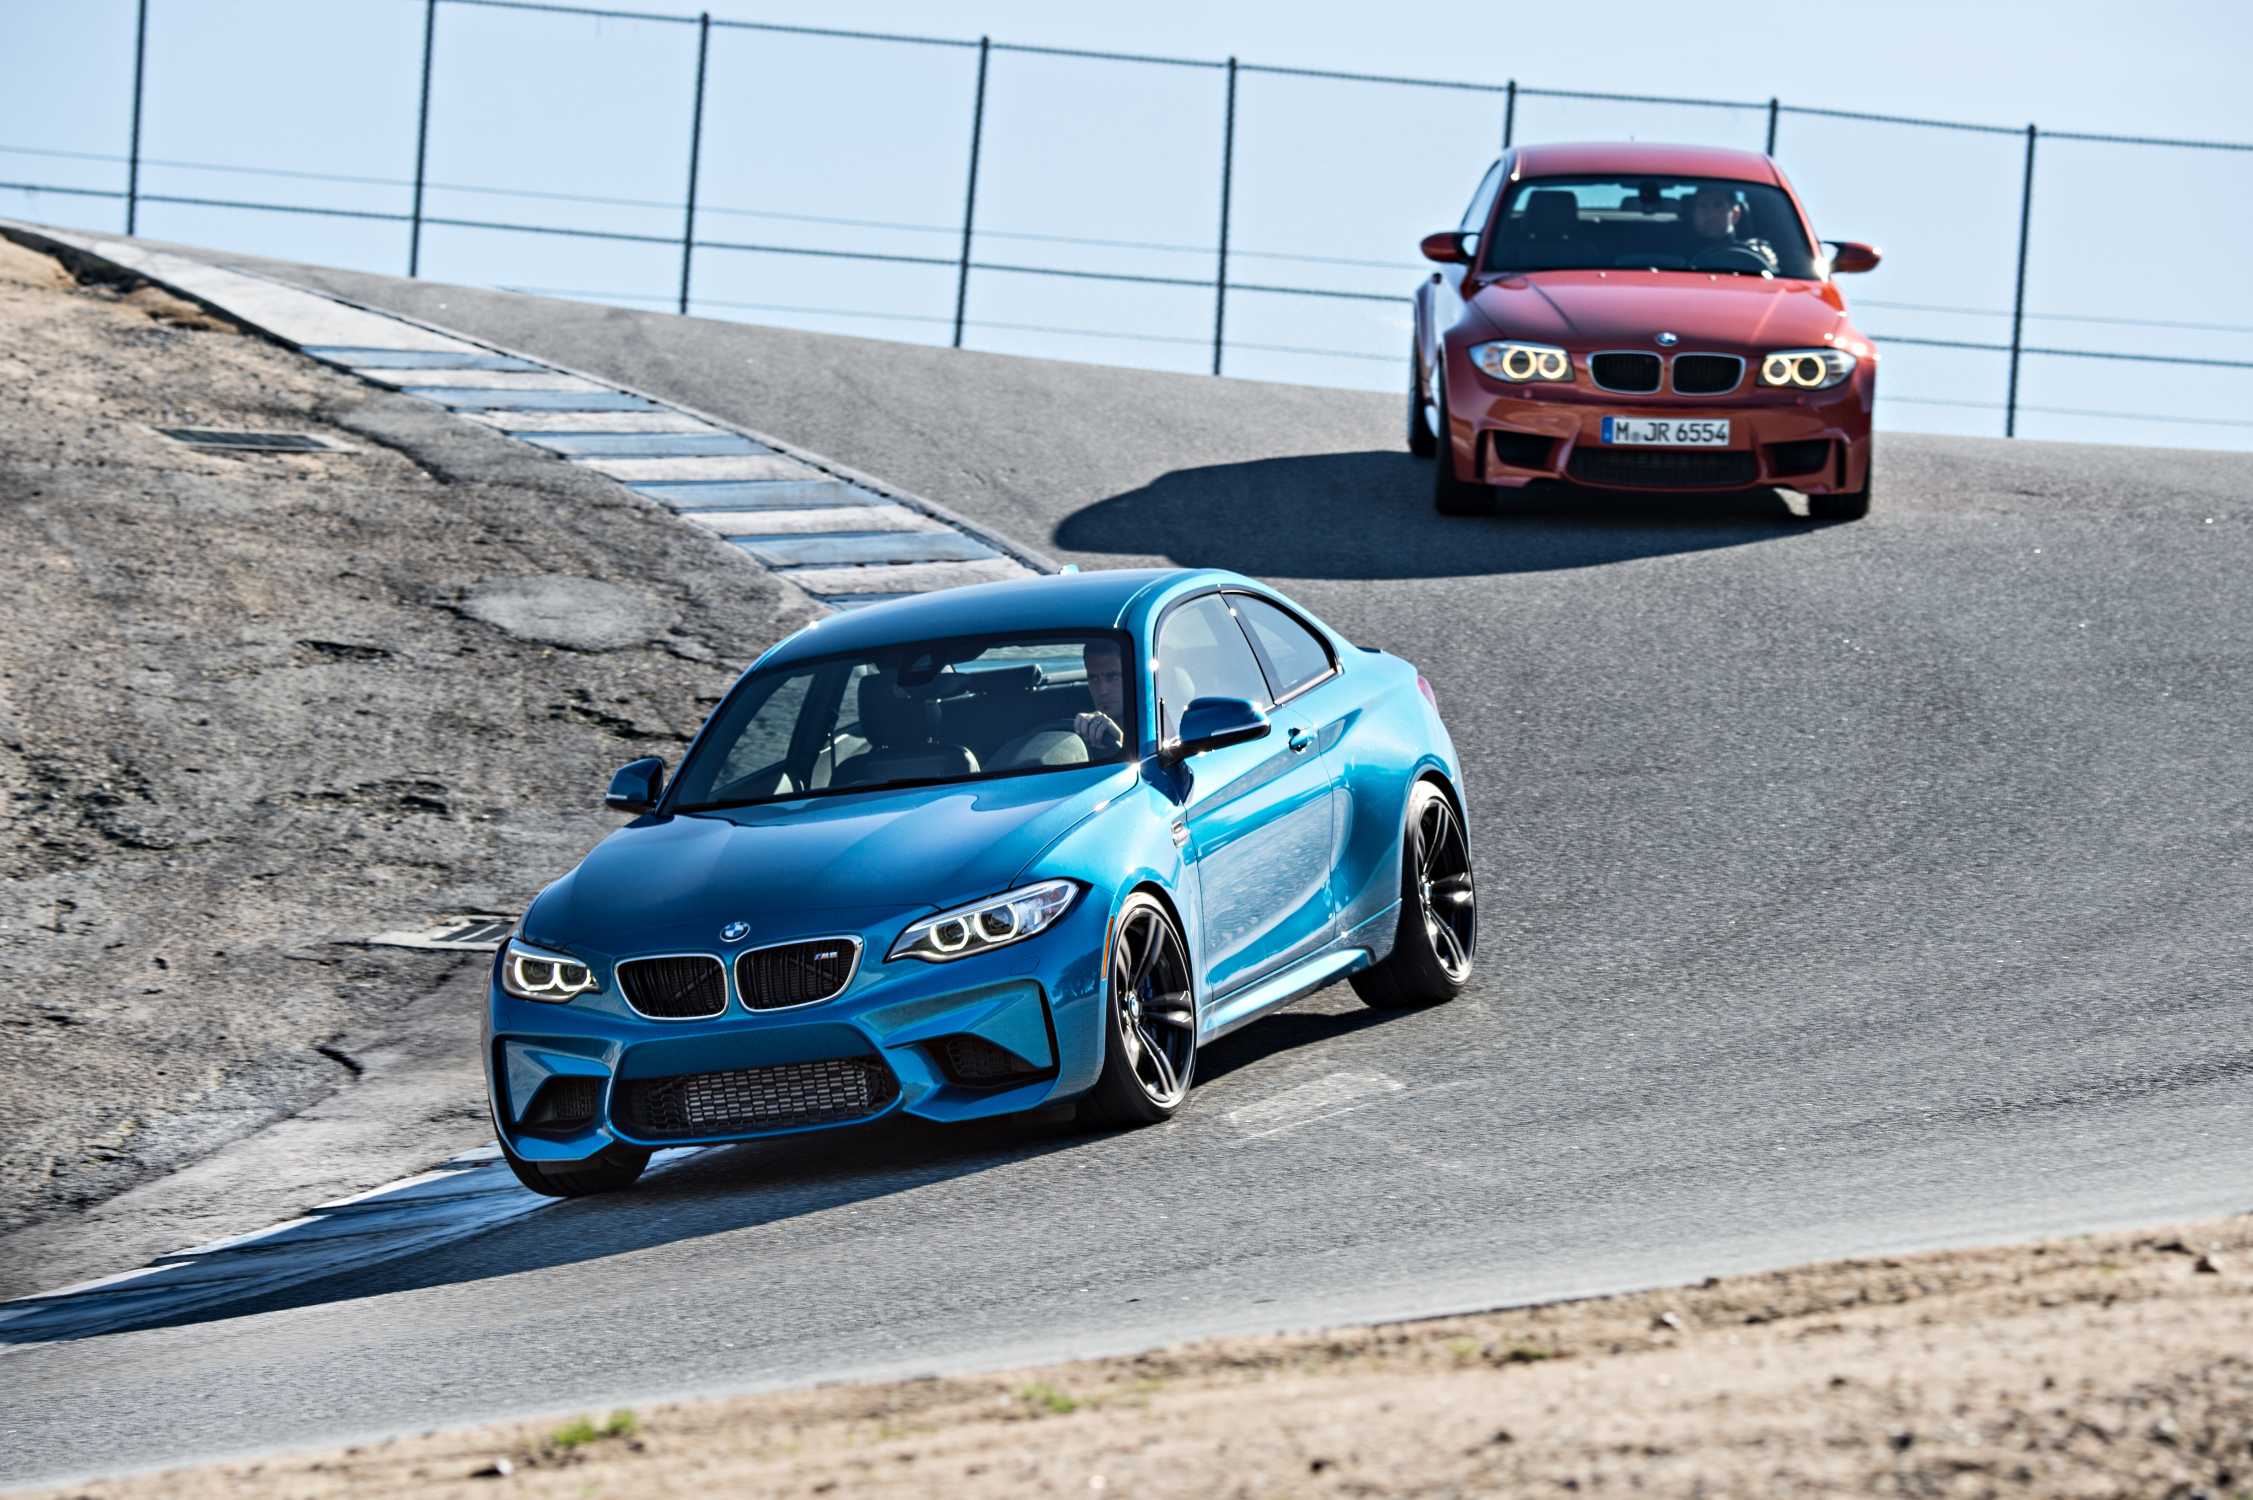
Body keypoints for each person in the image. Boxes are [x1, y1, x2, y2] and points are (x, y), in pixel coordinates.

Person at [1684, 185, 1778, 272]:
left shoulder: (1753, 251)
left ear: (1735, 214)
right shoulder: (1673, 249)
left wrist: (1767, 260)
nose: (1710, 213)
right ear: (1693, 213)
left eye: (1718, 205)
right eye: (1703, 206)